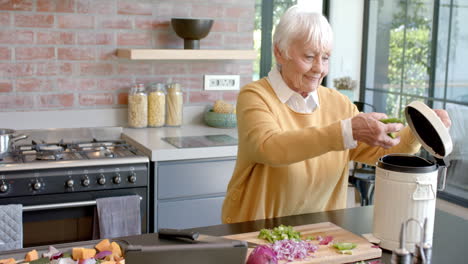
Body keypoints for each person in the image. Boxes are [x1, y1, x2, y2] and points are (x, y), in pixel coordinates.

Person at [221, 5, 451, 224]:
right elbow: (269, 147)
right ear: (279, 53)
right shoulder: (255, 96)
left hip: (320, 234)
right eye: (309, 57)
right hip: (255, 232)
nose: (319, 68)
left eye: (326, 58)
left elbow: (386, 149)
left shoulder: (338, 103)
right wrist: (345, 131)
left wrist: (420, 131)